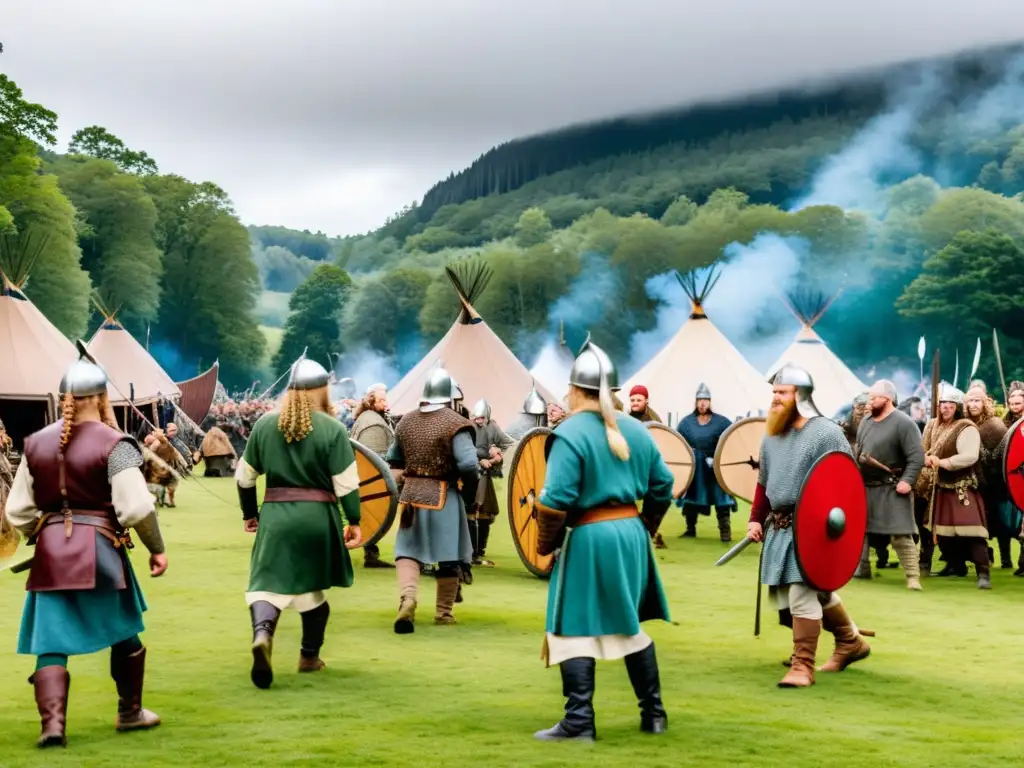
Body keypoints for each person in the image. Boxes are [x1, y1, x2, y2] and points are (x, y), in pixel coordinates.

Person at [5, 345, 167, 747]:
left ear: (66, 400)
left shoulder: (35, 444)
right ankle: (129, 713)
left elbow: (19, 511)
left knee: (51, 642)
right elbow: (137, 508)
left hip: (51, 556)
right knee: (124, 630)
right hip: (102, 549)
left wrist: (42, 536)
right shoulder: (116, 444)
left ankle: (53, 727)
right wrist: (156, 548)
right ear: (100, 398)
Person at [532, 339, 673, 742]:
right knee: (626, 623)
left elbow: (555, 501)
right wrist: (645, 524)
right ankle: (654, 714)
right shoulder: (636, 429)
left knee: (571, 624)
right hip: (630, 535)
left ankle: (579, 721)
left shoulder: (570, 432)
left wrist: (545, 544)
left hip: (590, 536)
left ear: (575, 390)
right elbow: (663, 484)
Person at [234, 354, 363, 689]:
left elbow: (245, 479)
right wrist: (355, 521)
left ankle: (263, 633)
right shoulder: (334, 429)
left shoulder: (264, 425)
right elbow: (346, 484)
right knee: (311, 589)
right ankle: (308, 657)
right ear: (322, 391)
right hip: (318, 518)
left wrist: (250, 514)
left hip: (276, 517)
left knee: (265, 585)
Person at [747, 364, 871, 688]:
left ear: (800, 396)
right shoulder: (772, 436)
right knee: (805, 593)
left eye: (782, 393)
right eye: (773, 392)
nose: (775, 399)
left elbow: (845, 481)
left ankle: (803, 666)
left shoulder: (826, 433)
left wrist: (832, 524)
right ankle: (850, 640)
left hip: (815, 526)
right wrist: (754, 520)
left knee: (802, 594)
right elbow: (764, 484)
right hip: (781, 526)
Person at [387, 366, 477, 633]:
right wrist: (469, 492)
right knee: (449, 556)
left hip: (411, 498)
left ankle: (408, 597)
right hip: (443, 495)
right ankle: (443, 613)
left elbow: (393, 461)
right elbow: (469, 464)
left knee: (407, 552)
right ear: (450, 396)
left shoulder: (406, 421)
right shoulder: (455, 422)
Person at [854, 380, 925, 589]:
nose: (869, 402)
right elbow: (860, 450)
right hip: (867, 486)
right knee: (861, 530)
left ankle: (913, 577)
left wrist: (907, 480)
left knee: (901, 534)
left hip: (892, 486)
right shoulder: (866, 421)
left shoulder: (904, 423)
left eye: (874, 398)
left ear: (887, 399)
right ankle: (862, 568)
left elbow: (917, 457)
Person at [921, 385, 990, 588]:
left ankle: (983, 574)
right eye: (943, 404)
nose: (945, 408)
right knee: (943, 534)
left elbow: (969, 456)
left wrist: (940, 462)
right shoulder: (936, 427)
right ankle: (955, 565)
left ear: (958, 407)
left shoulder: (966, 427)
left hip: (962, 488)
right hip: (941, 487)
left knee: (973, 532)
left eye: (950, 405)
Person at [675, 383, 736, 541]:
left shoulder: (721, 422)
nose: (702, 403)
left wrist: (719, 459)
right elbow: (679, 445)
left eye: (706, 400)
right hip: (696, 468)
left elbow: (732, 440)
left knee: (721, 499)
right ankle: (690, 529)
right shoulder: (686, 423)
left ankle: (725, 531)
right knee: (691, 498)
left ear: (710, 402)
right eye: (700, 400)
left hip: (715, 468)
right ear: (695, 402)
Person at [351, 384, 397, 569]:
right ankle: (371, 555)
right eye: (381, 400)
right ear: (371, 401)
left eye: (386, 399)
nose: (386, 403)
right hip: (371, 479)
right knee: (372, 514)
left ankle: (371, 554)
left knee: (368, 515)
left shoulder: (369, 417)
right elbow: (375, 460)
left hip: (364, 477)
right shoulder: (373, 424)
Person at [964, 386, 1011, 569]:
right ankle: (983, 556)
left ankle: (1005, 558)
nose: (973, 404)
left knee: (999, 523)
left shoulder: (994, 425)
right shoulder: (964, 423)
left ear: (985, 403)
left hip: (994, 482)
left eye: (977, 400)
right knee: (975, 523)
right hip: (971, 481)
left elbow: (1002, 457)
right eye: (970, 401)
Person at [469, 399, 514, 566]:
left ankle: (480, 549)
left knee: (486, 512)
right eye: (477, 418)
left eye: (482, 418)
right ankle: (471, 551)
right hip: (472, 474)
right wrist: (480, 460)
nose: (479, 421)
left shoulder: (492, 427)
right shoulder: (468, 426)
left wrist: (497, 454)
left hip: (485, 476)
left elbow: (509, 443)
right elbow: (465, 449)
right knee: (472, 509)